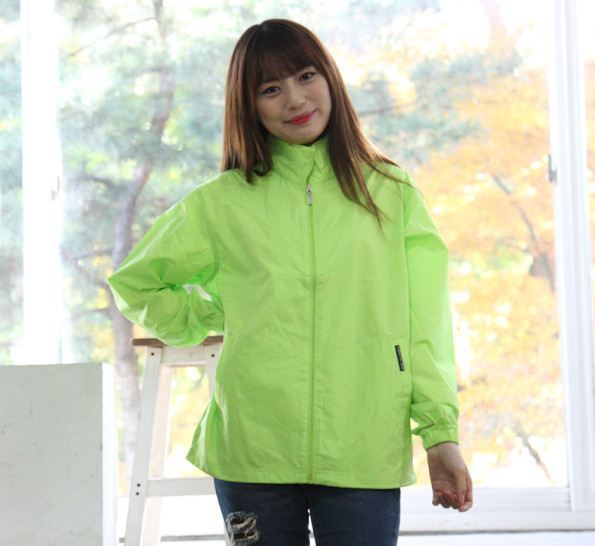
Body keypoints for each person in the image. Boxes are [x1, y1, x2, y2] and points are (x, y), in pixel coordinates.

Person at [109, 18, 473, 546]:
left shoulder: (391, 193)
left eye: (305, 76)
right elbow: (136, 283)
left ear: (329, 77)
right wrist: (219, 311)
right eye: (270, 89)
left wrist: (440, 434)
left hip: (363, 443)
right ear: (249, 105)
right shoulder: (221, 203)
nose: (295, 99)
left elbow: (427, 326)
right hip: (252, 450)